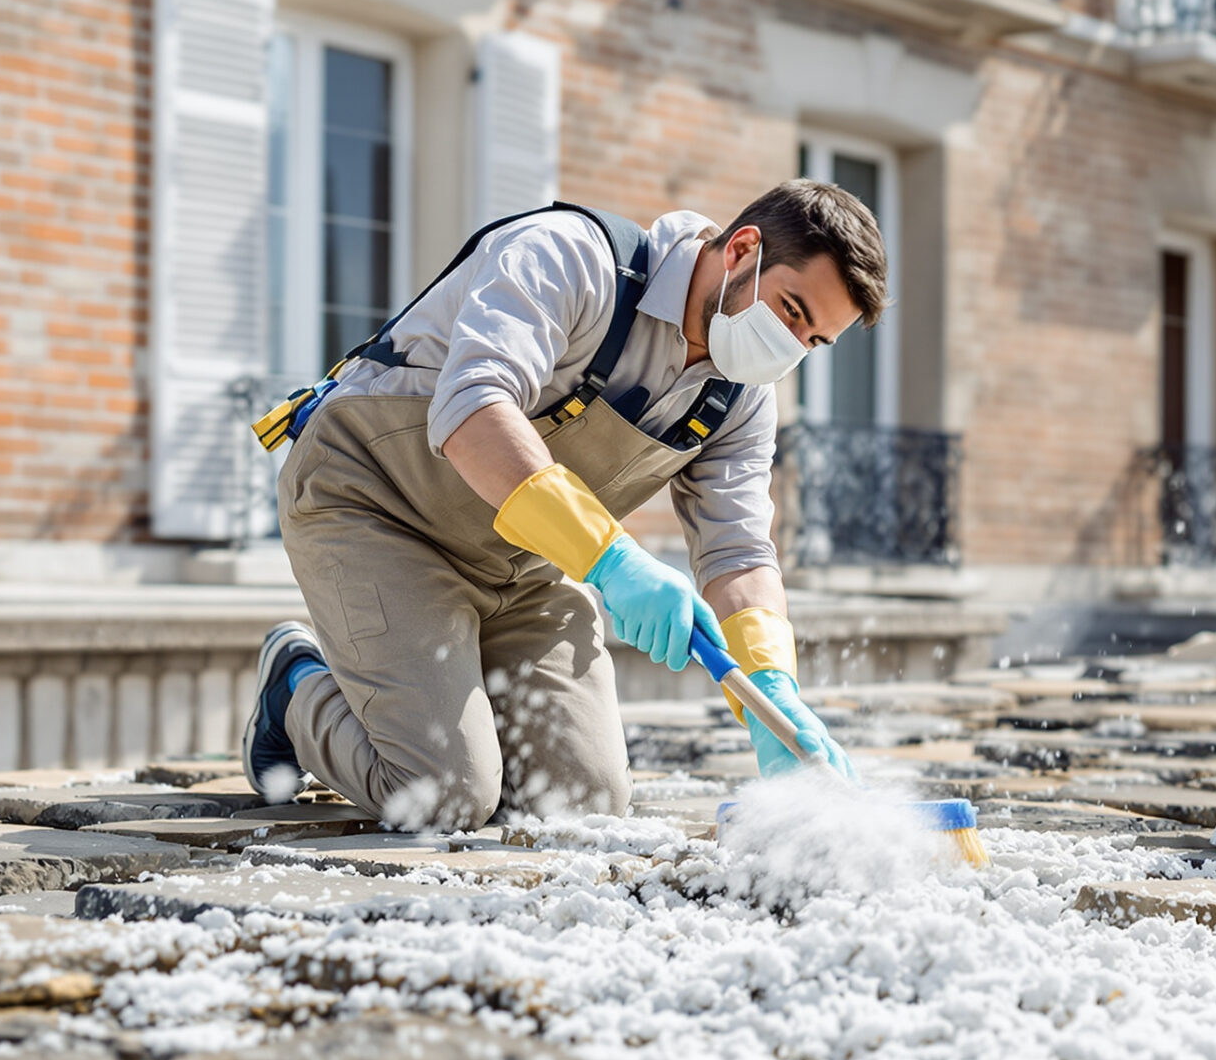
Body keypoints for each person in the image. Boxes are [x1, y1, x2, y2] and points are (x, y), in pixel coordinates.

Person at [239, 181, 884, 827]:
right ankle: (295, 686)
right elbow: (472, 409)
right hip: (374, 506)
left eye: (813, 341)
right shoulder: (571, 258)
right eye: (790, 311)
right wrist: (612, 561)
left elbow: (738, 553)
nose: (789, 346)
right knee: (442, 794)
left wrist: (772, 687)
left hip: (521, 565)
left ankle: (453, 722)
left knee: (582, 805)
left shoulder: (738, 399)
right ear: (742, 249)